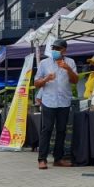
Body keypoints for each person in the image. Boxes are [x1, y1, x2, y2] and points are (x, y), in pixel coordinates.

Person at [33, 38, 77, 170]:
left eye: (58, 49)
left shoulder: (70, 62)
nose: (55, 51)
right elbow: (36, 83)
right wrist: (46, 79)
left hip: (64, 101)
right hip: (49, 101)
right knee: (47, 130)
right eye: (53, 48)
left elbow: (75, 80)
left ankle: (58, 159)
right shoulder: (44, 63)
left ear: (64, 50)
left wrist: (68, 69)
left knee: (61, 130)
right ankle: (42, 159)